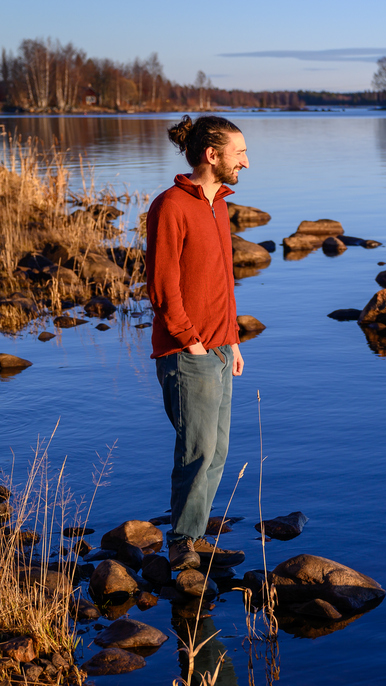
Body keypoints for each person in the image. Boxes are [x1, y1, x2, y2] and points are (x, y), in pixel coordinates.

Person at [146, 115, 249, 571]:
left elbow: (222, 282)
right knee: (197, 451)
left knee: (218, 451)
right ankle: (182, 545)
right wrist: (192, 343)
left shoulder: (218, 205)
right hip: (188, 354)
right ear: (213, 155)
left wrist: (233, 340)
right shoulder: (170, 205)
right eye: (239, 153)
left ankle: (197, 536)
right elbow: (162, 287)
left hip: (221, 348)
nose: (246, 162)